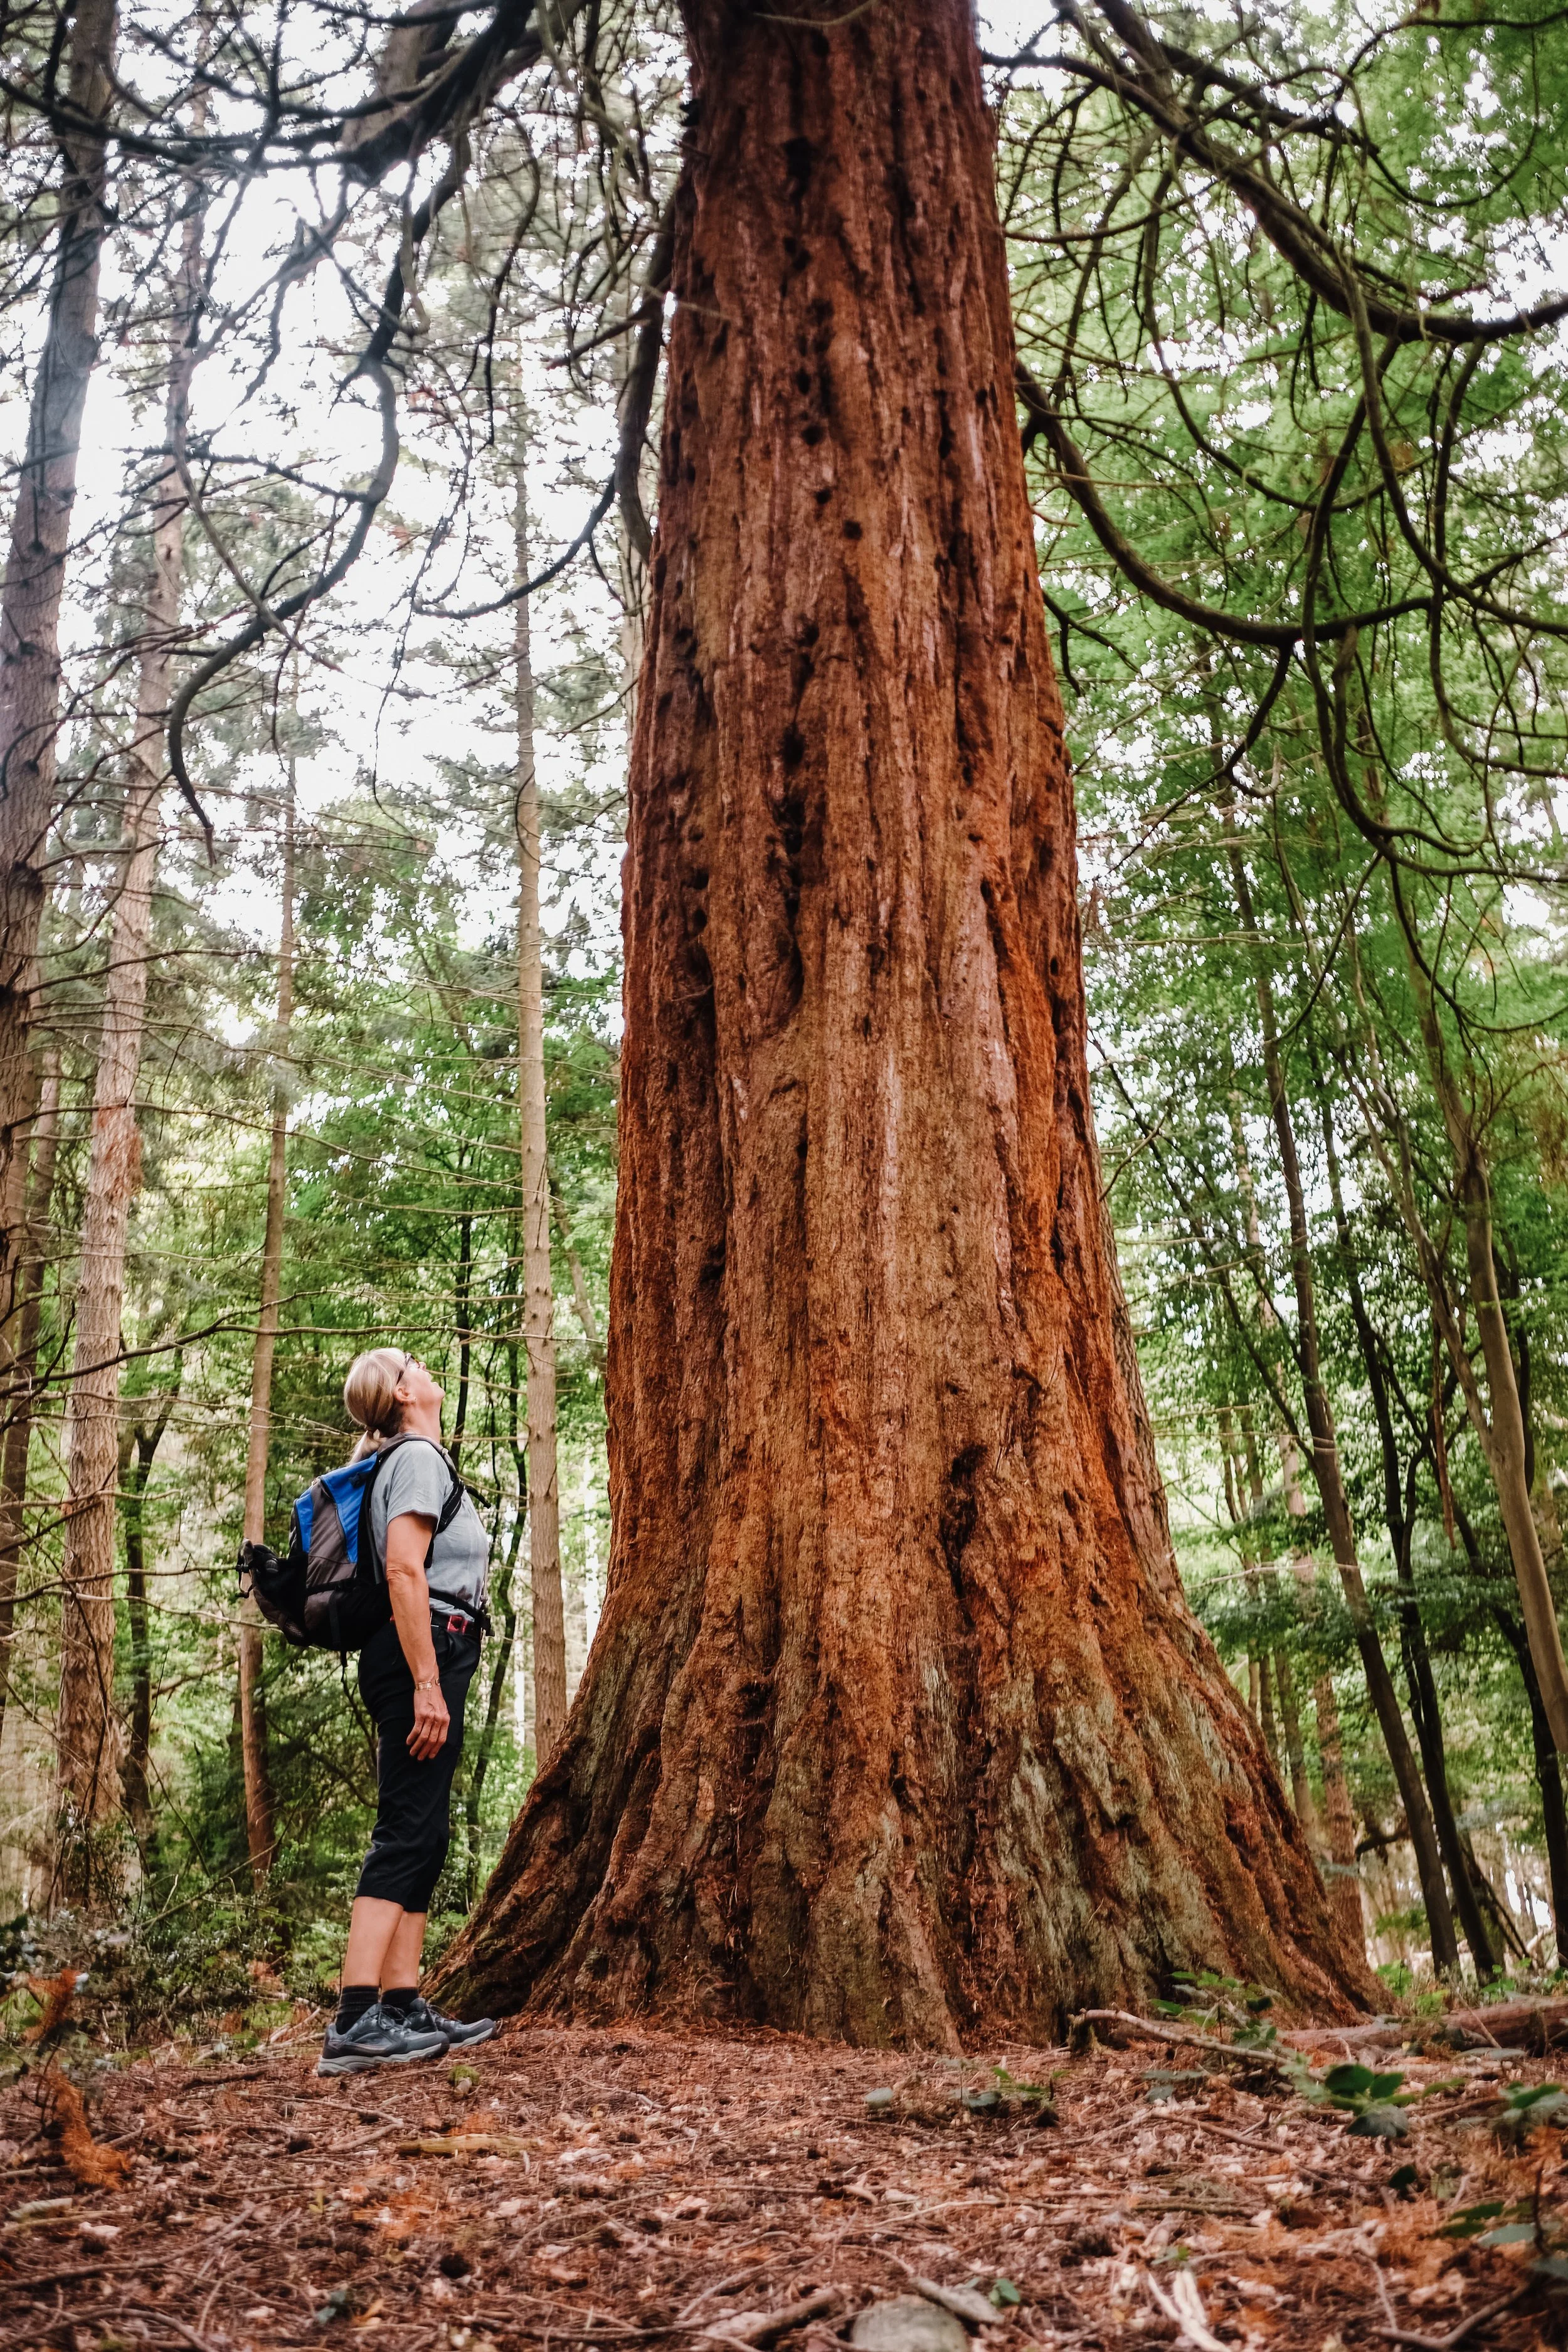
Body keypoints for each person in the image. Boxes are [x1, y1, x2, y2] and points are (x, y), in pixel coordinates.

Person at [317, 1347, 500, 2076]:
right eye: (416, 1363)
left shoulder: (412, 1457)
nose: (428, 1369)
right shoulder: (418, 1455)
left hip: (428, 1652)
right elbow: (403, 1568)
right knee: (405, 1828)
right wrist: (428, 1681)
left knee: (424, 1829)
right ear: (402, 1391)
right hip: (420, 1653)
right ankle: (355, 2018)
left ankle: (400, 2005)